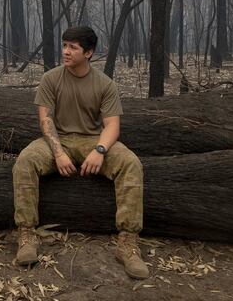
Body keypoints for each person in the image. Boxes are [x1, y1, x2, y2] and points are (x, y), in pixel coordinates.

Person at [12, 25, 149, 279]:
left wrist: (99, 150)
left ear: (88, 52)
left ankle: (128, 243)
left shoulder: (104, 84)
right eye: (64, 45)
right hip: (57, 139)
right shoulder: (51, 78)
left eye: (72, 47)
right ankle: (27, 234)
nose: (65, 51)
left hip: (92, 140)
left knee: (131, 163)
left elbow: (112, 126)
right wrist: (58, 153)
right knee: (25, 161)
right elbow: (45, 120)